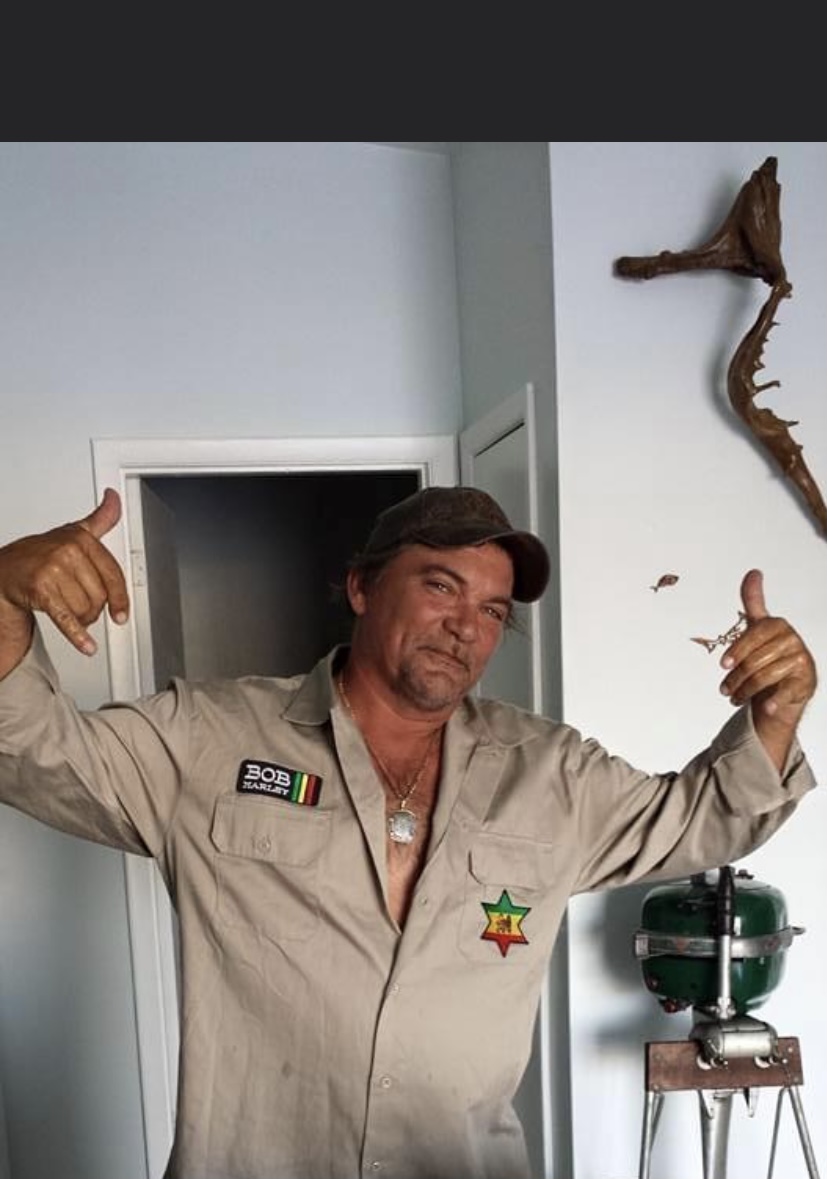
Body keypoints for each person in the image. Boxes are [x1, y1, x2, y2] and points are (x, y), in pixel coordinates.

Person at [0, 485, 818, 1179]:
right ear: (361, 586)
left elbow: (703, 818)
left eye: (492, 609)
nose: (467, 626)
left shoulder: (553, 774)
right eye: (439, 586)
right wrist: (2, 596)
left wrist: (777, 711)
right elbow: (32, 753)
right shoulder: (207, 740)